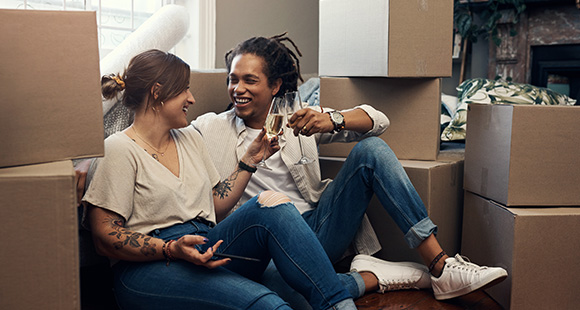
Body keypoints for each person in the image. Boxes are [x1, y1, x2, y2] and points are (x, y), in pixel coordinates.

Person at [191, 33, 508, 305]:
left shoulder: (298, 118)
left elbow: (379, 120)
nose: (238, 89)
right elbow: (173, 137)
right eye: (233, 79)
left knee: (371, 151)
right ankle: (370, 277)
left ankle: (440, 267)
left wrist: (332, 119)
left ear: (274, 85)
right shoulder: (211, 127)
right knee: (286, 294)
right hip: (261, 246)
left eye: (249, 80)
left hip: (316, 229)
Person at [82, 49, 360, 310]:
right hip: (148, 267)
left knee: (273, 202)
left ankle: (339, 305)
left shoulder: (189, 137)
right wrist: (170, 248)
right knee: (269, 304)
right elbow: (104, 238)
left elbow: (214, 205)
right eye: (184, 90)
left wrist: (249, 162)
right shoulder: (118, 149)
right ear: (157, 93)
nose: (191, 98)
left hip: (204, 242)